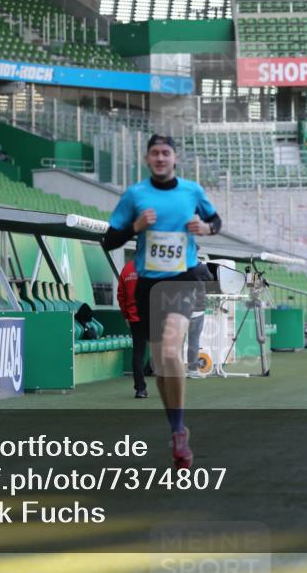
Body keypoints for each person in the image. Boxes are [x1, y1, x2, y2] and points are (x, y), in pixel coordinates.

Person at [102, 134, 222, 469]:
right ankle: (176, 429)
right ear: (146, 159)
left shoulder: (192, 191)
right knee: (160, 367)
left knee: (171, 351)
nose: (160, 158)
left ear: (175, 158)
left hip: (182, 280)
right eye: (154, 153)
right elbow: (108, 240)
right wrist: (134, 227)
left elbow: (216, 221)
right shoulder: (135, 195)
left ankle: (180, 431)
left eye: (166, 153)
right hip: (148, 285)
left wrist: (206, 228)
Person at [117, 259, 150, 398]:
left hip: (134, 318)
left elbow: (121, 295)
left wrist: (126, 315)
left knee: (138, 352)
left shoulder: (126, 269)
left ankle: (140, 389)